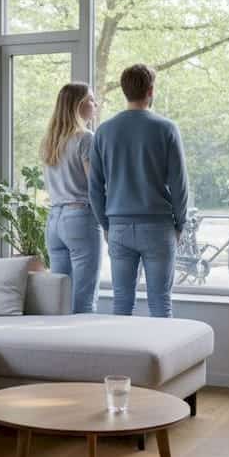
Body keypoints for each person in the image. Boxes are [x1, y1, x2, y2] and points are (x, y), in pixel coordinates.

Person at [88, 64, 189, 318]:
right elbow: (179, 183)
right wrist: (180, 224)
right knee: (160, 304)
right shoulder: (166, 128)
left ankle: (122, 359)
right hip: (158, 227)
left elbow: (95, 187)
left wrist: (106, 225)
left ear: (125, 91)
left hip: (119, 227)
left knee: (121, 304)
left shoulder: (104, 131)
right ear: (151, 90)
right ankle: (163, 358)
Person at [41, 82, 103, 313]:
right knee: (84, 298)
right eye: (91, 100)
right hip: (80, 218)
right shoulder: (85, 138)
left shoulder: (50, 141)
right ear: (78, 105)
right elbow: (94, 185)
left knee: (59, 298)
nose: (95, 104)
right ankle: (83, 347)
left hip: (54, 221)